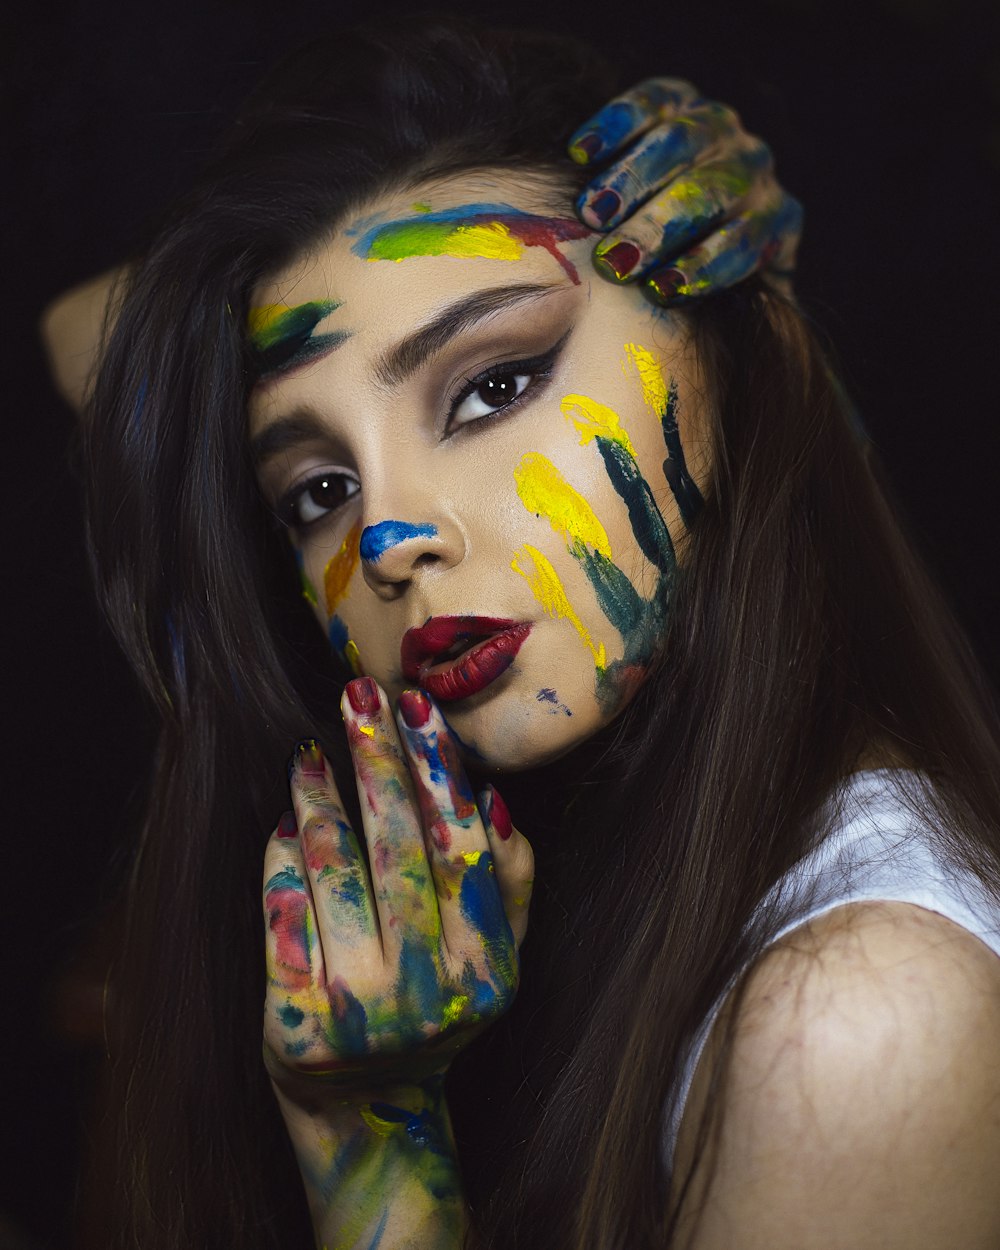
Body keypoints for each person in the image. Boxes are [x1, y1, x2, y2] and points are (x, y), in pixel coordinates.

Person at [75, 16, 1000, 1250]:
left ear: (742, 368)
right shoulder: (597, 866)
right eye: (318, 488)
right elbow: (97, 362)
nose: (390, 534)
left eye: (493, 384)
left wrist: (370, 1145)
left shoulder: (862, 1020)